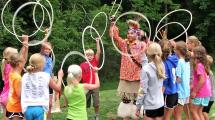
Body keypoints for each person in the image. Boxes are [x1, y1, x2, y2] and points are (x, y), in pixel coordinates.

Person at [109, 17, 146, 120]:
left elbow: (149, 50)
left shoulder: (141, 45)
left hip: (137, 77)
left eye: (132, 33)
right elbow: (114, 36)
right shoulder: (124, 44)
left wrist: (143, 35)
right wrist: (112, 23)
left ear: (137, 35)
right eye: (128, 33)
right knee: (126, 103)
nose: (129, 35)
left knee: (135, 103)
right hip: (125, 77)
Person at [21, 53, 62, 120]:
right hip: (40, 109)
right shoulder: (45, 76)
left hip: (27, 109)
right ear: (42, 65)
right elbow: (58, 89)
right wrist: (60, 77)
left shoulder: (24, 76)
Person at [0, 35, 28, 120]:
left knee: (6, 117)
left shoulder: (6, 66)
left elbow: (22, 59)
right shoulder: (12, 69)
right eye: (16, 54)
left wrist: (25, 46)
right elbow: (23, 59)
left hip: (5, 96)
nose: (18, 55)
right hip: (12, 98)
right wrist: (25, 44)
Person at [136, 42, 166, 120]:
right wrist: (142, 53)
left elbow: (142, 90)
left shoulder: (146, 69)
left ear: (148, 53)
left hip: (150, 106)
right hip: (160, 104)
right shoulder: (162, 65)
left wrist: (138, 106)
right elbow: (146, 63)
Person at [80, 38, 101, 120]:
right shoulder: (82, 65)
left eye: (91, 55)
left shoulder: (95, 62)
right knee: (84, 102)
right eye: (88, 55)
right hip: (86, 86)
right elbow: (80, 76)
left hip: (95, 85)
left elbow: (98, 52)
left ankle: (97, 115)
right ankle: (83, 116)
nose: (89, 57)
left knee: (96, 102)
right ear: (85, 56)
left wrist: (97, 42)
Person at [159, 40, 178, 120]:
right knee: (168, 116)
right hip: (174, 91)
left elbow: (165, 80)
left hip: (167, 92)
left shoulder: (164, 63)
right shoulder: (175, 58)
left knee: (163, 117)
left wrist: (160, 94)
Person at [190, 46, 211, 120]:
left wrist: (194, 91)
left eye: (193, 51)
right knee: (199, 111)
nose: (191, 52)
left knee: (193, 111)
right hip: (206, 93)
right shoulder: (204, 64)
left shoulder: (199, 65)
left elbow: (202, 80)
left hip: (200, 93)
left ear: (197, 54)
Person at [173, 41, 191, 120]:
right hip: (186, 91)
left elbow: (179, 79)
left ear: (178, 50)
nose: (174, 51)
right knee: (181, 112)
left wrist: (173, 81)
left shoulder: (180, 62)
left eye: (175, 49)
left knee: (177, 115)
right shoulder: (187, 62)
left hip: (180, 92)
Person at [40, 28, 54, 120]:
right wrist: (46, 35)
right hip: (41, 82)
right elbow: (43, 45)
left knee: (49, 103)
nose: (47, 50)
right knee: (41, 102)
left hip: (49, 81)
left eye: (49, 49)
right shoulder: (41, 57)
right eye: (45, 49)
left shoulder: (50, 58)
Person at [202, 55, 215, 120]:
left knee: (203, 112)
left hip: (209, 96)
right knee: (204, 112)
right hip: (211, 96)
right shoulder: (208, 71)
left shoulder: (208, 72)